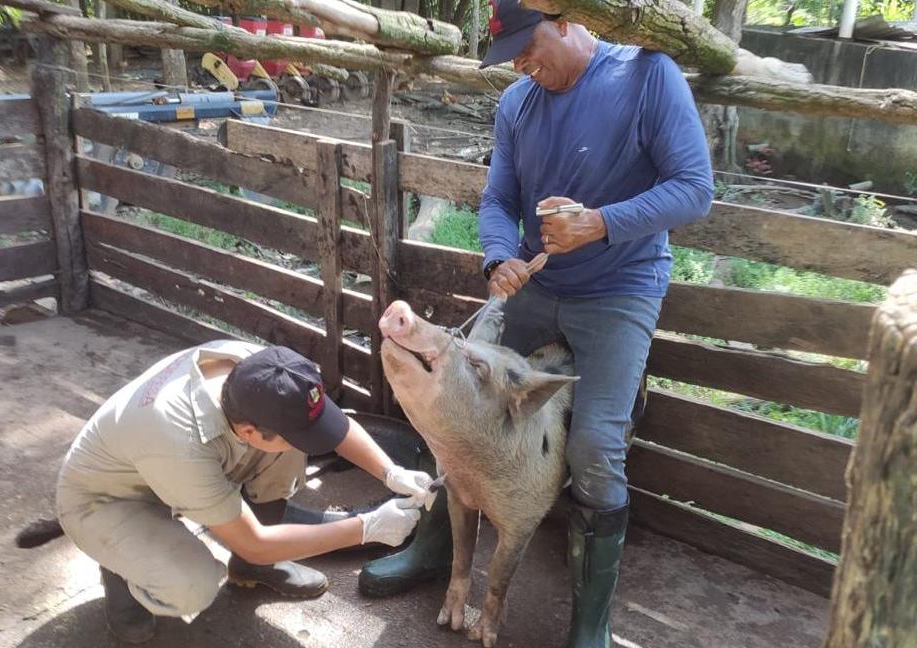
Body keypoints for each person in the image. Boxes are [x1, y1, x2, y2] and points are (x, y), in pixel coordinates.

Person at [359, 1, 713, 646]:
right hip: (535, 286)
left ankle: (590, 621)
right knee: (456, 401)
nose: (522, 64)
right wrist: (499, 257)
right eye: (513, 56)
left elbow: (694, 188)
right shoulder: (518, 104)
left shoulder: (646, 73)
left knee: (596, 451)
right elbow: (498, 199)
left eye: (529, 48)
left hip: (620, 291)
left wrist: (599, 222)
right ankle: (436, 549)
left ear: (566, 18)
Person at [56, 340, 430, 643]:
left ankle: (253, 569)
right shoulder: (176, 437)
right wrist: (367, 527)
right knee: (193, 586)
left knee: (289, 442)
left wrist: (390, 471)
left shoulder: (262, 373)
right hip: (106, 500)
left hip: (169, 469)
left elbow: (334, 425)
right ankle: (121, 567)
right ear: (249, 431)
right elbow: (255, 539)